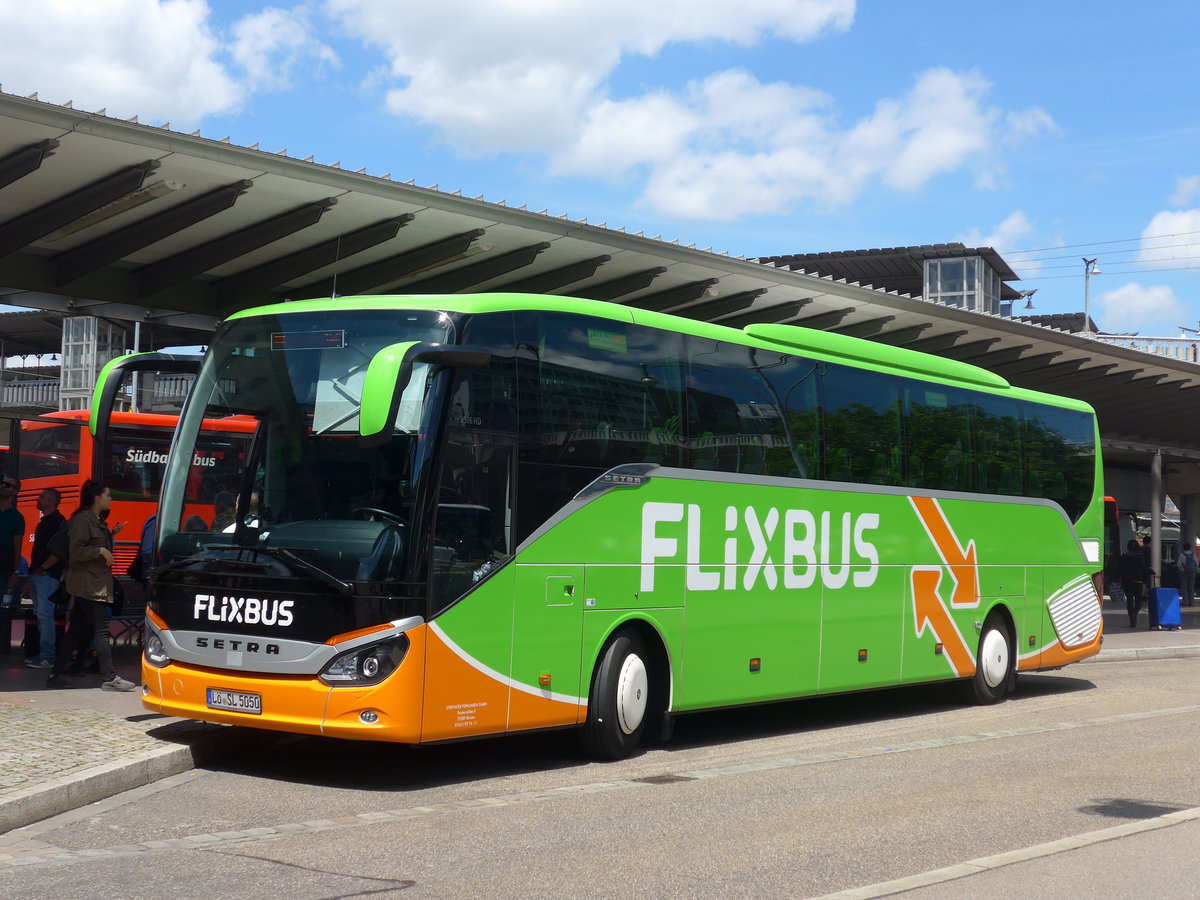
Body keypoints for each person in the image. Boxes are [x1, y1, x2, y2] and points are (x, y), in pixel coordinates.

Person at [47, 481, 137, 691]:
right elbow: (76, 551)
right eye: (108, 495)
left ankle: (55, 673)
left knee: (75, 630)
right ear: (97, 498)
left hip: (92, 582)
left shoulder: (96, 520)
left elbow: (90, 545)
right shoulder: (82, 520)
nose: (110, 498)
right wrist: (100, 552)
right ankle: (110, 677)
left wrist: (110, 537)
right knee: (101, 629)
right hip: (89, 584)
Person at [24, 488, 66, 669]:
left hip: (46, 575)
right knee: (41, 615)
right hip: (39, 574)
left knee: (44, 615)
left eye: (42, 497)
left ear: (51, 501)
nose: (38, 499)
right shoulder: (44, 522)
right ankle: (44, 654)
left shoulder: (57, 522)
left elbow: (59, 550)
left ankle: (47, 656)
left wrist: (43, 568)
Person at [1119, 539, 1148, 629]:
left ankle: (1132, 620)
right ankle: (1135, 614)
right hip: (1138, 581)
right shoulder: (1140, 556)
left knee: (1129, 600)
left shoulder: (1124, 556)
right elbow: (1144, 567)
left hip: (1127, 581)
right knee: (1139, 600)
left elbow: (1120, 568)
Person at [1177, 541, 1197, 608]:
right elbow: (1196, 563)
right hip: (1192, 572)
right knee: (1191, 587)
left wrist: (1180, 568)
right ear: (1190, 547)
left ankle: (1185, 602)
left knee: (1184, 587)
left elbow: (1179, 564)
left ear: (1183, 547)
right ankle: (1191, 602)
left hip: (1184, 572)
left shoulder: (1182, 555)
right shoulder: (1193, 554)